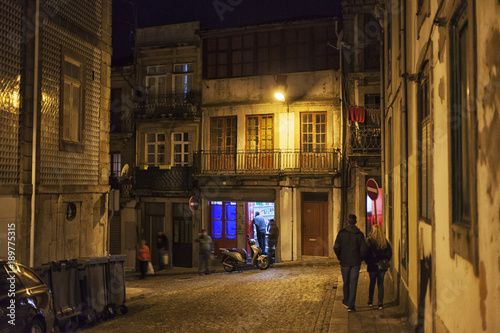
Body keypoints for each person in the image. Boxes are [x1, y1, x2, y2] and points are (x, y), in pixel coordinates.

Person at [334, 214, 368, 312]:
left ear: (347, 222)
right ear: (355, 222)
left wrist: (340, 256)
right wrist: (361, 258)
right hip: (355, 262)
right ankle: (351, 305)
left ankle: (346, 301)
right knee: (354, 283)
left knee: (346, 282)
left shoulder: (341, 233)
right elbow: (364, 249)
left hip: (345, 261)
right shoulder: (359, 234)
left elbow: (336, 247)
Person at [366, 224, 392, 309]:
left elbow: (366, 253)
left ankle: (370, 301)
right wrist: (384, 260)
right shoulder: (384, 242)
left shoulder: (369, 241)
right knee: (380, 284)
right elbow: (389, 254)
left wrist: (368, 262)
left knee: (372, 283)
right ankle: (380, 303)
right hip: (382, 266)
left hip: (372, 265)